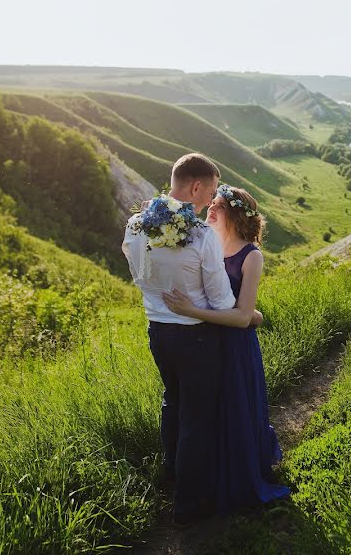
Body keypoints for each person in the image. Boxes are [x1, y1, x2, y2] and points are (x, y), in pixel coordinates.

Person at [122, 153, 251, 523]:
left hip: (157, 332)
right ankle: (189, 505)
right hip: (196, 338)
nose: (212, 201)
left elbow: (130, 256)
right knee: (197, 417)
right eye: (210, 192)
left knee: (172, 402)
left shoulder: (135, 223)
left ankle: (171, 472)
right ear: (196, 187)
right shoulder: (200, 235)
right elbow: (223, 300)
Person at [163, 185, 290, 512]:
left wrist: (195, 312)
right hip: (203, 342)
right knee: (206, 413)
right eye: (212, 204)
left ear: (234, 215)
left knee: (232, 407)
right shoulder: (207, 245)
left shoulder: (251, 256)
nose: (210, 209)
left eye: (218, 206)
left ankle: (233, 477)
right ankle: (198, 478)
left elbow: (242, 316)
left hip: (233, 346)